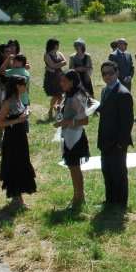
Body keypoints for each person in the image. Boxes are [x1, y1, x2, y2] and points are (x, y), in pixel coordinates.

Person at [97, 61, 134, 207]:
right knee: (107, 170)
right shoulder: (105, 90)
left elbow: (127, 122)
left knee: (119, 172)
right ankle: (110, 199)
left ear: (117, 73)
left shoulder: (123, 94)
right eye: (104, 73)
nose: (107, 76)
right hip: (105, 139)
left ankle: (120, 202)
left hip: (117, 142)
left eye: (110, 73)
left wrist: (120, 143)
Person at [0, 75, 35, 209]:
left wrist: (26, 111)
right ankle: (16, 198)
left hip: (20, 137)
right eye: (24, 84)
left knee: (22, 163)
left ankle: (18, 198)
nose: (25, 86)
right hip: (12, 138)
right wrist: (18, 120)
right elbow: (0, 122)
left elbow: (21, 111)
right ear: (17, 86)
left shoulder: (18, 98)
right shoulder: (7, 102)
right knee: (14, 164)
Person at [55, 71, 90, 208]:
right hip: (69, 136)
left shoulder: (76, 96)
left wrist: (66, 122)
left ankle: (79, 197)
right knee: (72, 167)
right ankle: (77, 196)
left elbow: (85, 120)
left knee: (75, 168)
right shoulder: (68, 95)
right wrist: (59, 110)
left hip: (75, 137)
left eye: (64, 81)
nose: (61, 83)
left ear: (72, 82)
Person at [43, 38, 67, 118]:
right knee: (56, 95)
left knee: (60, 95)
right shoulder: (47, 55)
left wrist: (54, 66)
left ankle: (55, 109)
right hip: (51, 78)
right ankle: (52, 110)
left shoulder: (59, 53)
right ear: (53, 45)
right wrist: (59, 65)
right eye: (57, 45)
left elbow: (65, 62)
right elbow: (52, 65)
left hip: (60, 77)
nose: (58, 46)